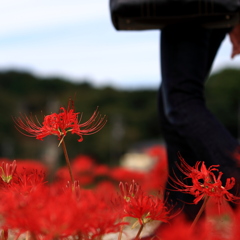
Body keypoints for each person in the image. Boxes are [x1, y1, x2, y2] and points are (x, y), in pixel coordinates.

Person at [157, 22, 240, 222]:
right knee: (172, 98)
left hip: (186, 8)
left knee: (180, 99)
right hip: (207, 8)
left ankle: (181, 222)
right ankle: (182, 223)